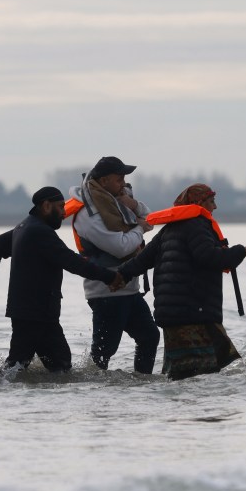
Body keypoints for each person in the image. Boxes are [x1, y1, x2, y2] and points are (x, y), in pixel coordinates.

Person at [0, 187, 124, 373]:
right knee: (19, 367)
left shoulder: (24, 227)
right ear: (46, 206)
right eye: (60, 207)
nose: (64, 213)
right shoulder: (39, 232)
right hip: (35, 314)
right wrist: (109, 276)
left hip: (33, 313)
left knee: (56, 365)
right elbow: (73, 262)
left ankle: (12, 392)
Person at [117, 184, 246, 379]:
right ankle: (198, 409)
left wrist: (118, 276)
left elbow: (141, 261)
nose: (215, 207)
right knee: (201, 374)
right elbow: (209, 257)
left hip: (173, 314)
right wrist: (240, 251)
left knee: (181, 373)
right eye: (211, 201)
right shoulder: (196, 225)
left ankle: (178, 407)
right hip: (193, 313)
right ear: (198, 203)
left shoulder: (169, 230)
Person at [68, 156, 159, 373]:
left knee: (150, 337)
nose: (123, 184)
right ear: (105, 180)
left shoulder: (116, 200)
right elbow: (121, 247)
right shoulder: (88, 214)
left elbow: (150, 217)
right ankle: (95, 390)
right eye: (119, 179)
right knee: (104, 351)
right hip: (106, 292)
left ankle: (141, 382)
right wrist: (139, 228)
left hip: (129, 289)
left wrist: (133, 205)